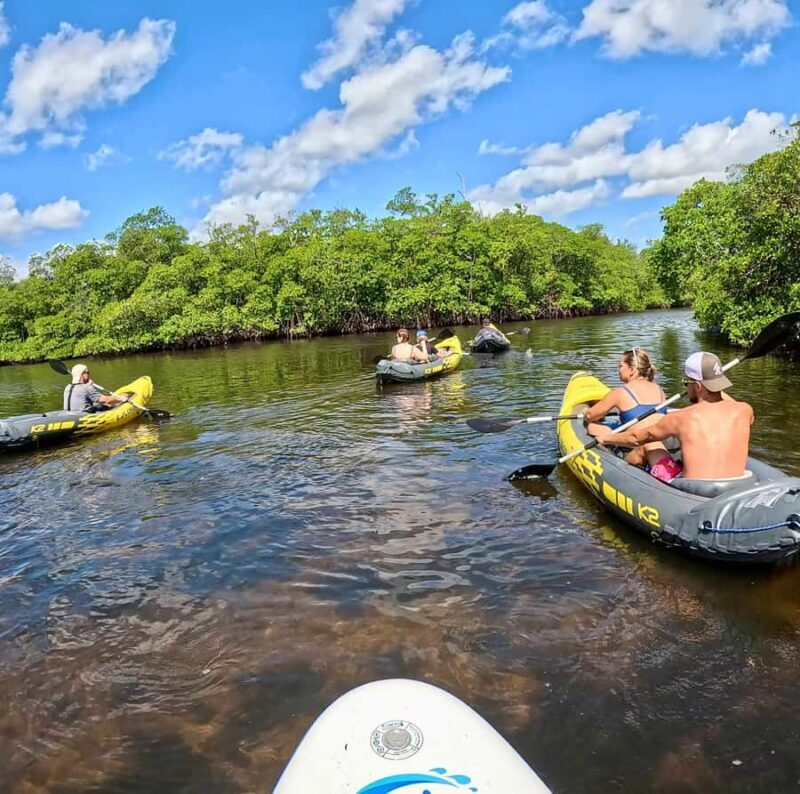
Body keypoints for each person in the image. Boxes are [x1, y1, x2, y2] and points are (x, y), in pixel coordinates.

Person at [592, 352, 754, 482]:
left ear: (697, 386)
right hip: (736, 484)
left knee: (650, 445)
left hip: (694, 489)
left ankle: (641, 478)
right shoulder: (746, 411)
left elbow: (635, 437)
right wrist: (714, 386)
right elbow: (723, 403)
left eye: (686, 383)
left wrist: (606, 438)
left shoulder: (681, 417)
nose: (685, 387)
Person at [585, 347, 679, 482]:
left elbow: (590, 415)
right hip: (661, 441)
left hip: (636, 444)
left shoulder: (620, 392)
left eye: (620, 366)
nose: (618, 369)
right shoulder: (659, 389)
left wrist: (587, 412)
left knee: (592, 426)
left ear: (632, 370)